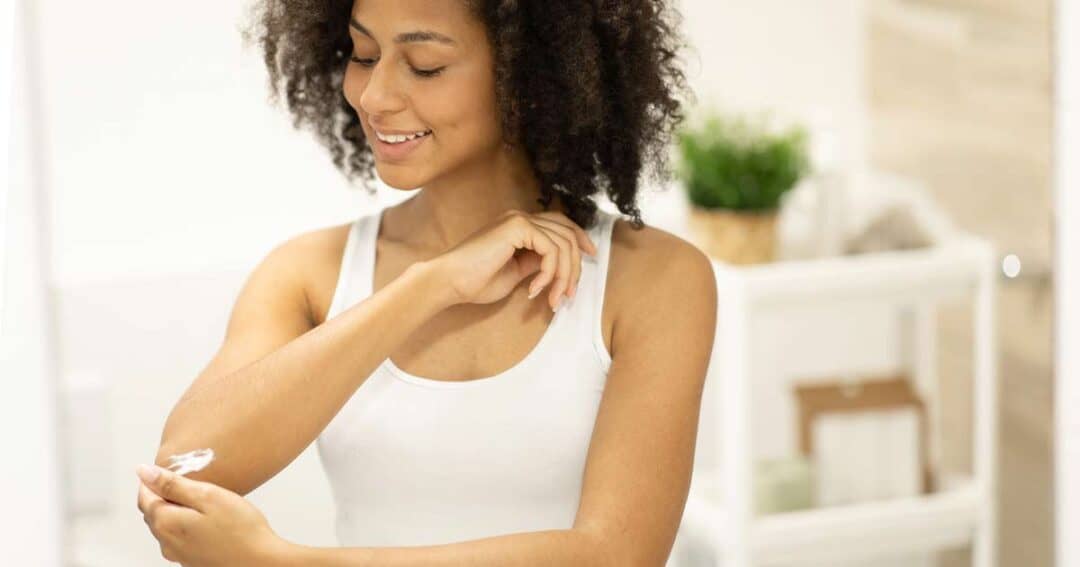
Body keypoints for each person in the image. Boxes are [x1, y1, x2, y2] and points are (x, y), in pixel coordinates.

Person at [135, 0, 717, 565]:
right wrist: (427, 286)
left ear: (529, 75)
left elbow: (617, 555)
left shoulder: (655, 280)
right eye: (364, 54)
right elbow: (186, 465)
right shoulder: (309, 273)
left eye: (425, 66)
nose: (375, 95)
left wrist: (282, 563)